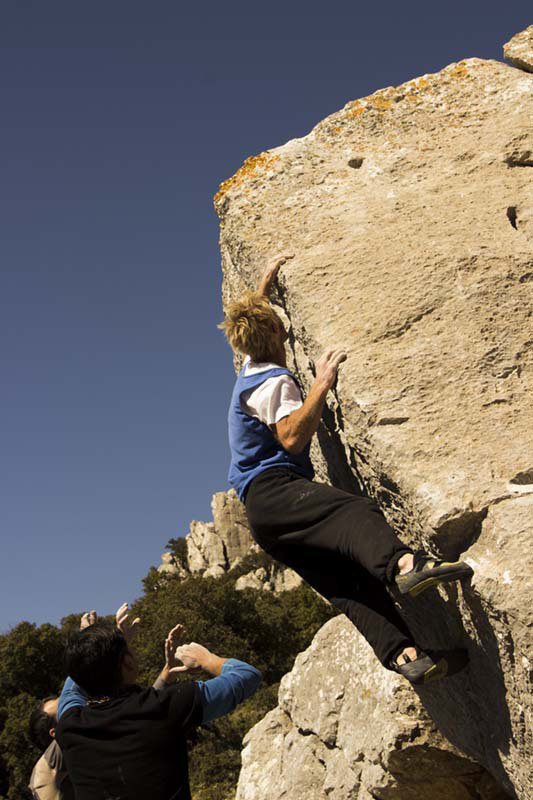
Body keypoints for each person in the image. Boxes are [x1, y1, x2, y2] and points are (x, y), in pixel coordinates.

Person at [219, 253, 474, 686]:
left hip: (264, 517)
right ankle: (406, 566)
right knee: (356, 513)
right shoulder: (272, 382)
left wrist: (263, 285)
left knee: (348, 584)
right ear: (278, 331)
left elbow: (253, 324)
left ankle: (406, 656)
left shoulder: (250, 367)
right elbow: (292, 438)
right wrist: (321, 382)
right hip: (276, 490)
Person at [54, 603, 261, 800]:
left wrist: (99, 646)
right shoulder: (166, 705)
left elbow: (75, 682)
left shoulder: (69, 726)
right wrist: (207, 659)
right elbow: (246, 675)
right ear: (127, 662)